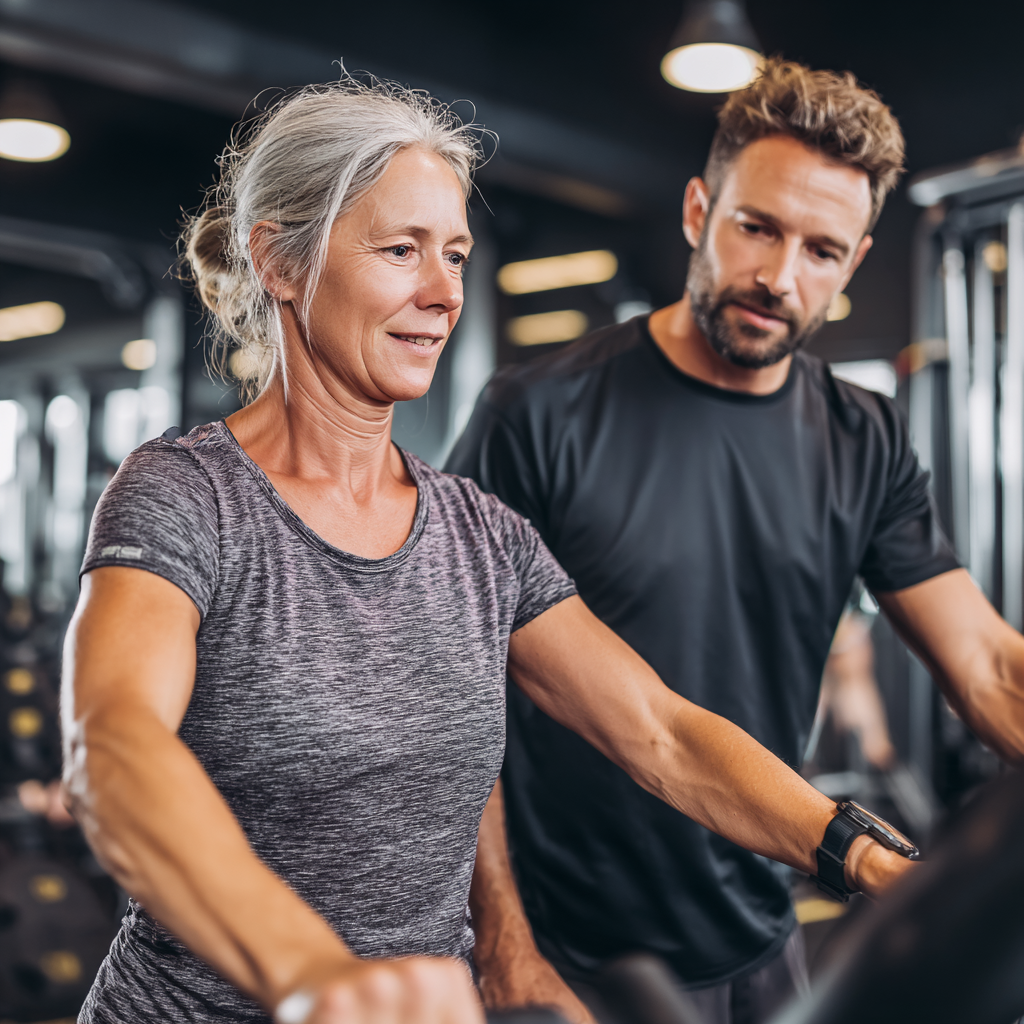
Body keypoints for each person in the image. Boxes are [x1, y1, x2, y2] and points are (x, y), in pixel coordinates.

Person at [61, 79, 914, 1024]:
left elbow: (661, 731)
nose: (442, 294)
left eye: (455, 255)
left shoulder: (480, 536)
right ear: (280, 260)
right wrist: (313, 974)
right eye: (400, 251)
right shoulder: (187, 497)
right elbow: (114, 746)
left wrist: (865, 855)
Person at [447, 59, 1024, 1024]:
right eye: (756, 227)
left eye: (821, 250)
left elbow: (989, 665)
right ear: (696, 210)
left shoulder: (866, 439)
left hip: (764, 926)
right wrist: (506, 950)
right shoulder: (536, 414)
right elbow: (451, 700)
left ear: (857, 260)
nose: (779, 276)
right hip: (570, 950)